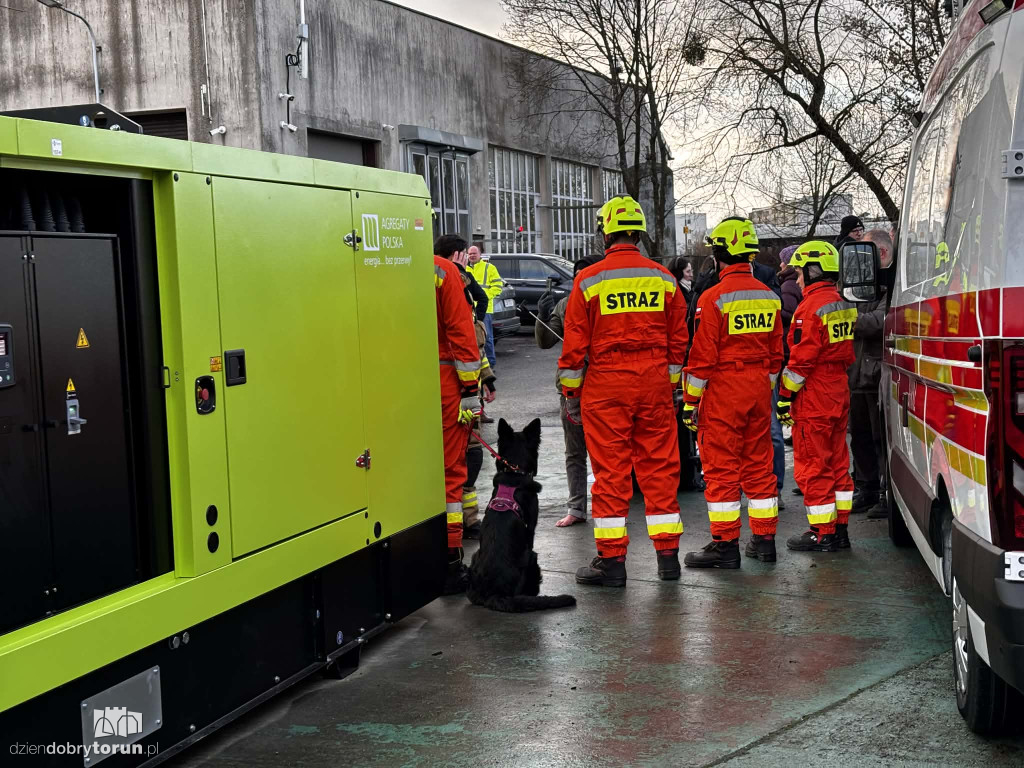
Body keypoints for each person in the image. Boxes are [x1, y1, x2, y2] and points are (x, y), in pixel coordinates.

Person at [558, 195, 688, 586]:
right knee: (660, 469)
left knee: (611, 474)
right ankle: (668, 560)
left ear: (606, 234)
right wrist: (666, 385)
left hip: (606, 387)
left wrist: (571, 395)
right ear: (639, 234)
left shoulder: (589, 279)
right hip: (652, 386)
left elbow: (574, 346)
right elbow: (679, 341)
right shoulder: (664, 279)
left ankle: (612, 563)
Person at [681, 218, 783, 568]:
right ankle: (764, 541)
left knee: (721, 470)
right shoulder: (769, 297)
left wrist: (690, 402)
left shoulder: (712, 298)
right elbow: (775, 356)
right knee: (759, 466)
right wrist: (762, 389)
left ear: (720, 254)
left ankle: (725, 548)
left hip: (724, 390)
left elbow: (702, 357)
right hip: (757, 389)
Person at [776, 241, 857, 552]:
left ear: (812, 270)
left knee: (813, 464)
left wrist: (785, 396)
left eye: (799, 273)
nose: (797, 280)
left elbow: (801, 361)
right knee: (838, 462)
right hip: (838, 387)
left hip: (815, 392)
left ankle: (821, 533)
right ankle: (840, 530)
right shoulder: (841, 302)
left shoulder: (809, 308)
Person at [536, 255, 603, 528]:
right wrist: (543, 315)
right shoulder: (564, 305)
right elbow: (546, 341)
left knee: (606, 452)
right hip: (570, 391)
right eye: (576, 275)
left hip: (603, 389)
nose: (579, 280)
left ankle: (610, 505)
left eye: (583, 274)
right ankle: (577, 507)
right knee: (575, 452)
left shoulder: (603, 304)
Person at [434, 235, 483, 593]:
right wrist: (470, 389)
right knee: (452, 473)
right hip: (444, 381)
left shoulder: (387, 264)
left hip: (393, 384)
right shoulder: (444, 273)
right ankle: (450, 561)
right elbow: (461, 333)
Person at [850, 229, 892, 518]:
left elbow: (880, 322)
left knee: (880, 439)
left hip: (877, 373)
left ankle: (885, 493)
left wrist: (846, 316)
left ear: (882, 254)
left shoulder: (891, 286)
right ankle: (866, 488)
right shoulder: (860, 285)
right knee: (860, 437)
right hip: (857, 373)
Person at [458, 268, 498, 539]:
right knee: (461, 460)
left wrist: (488, 380)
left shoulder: (469, 319)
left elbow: (478, 354)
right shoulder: (453, 320)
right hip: (456, 398)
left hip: (470, 397)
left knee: (472, 457)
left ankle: (469, 521)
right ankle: (461, 521)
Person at [468, 244, 504, 369]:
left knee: (486, 338)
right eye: (470, 253)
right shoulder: (465, 269)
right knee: (472, 338)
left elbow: (498, 286)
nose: (472, 255)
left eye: (474, 253)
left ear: (480, 255)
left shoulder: (489, 267)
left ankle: (491, 364)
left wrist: (485, 296)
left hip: (485, 308)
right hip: (469, 309)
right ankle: (477, 364)